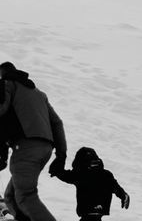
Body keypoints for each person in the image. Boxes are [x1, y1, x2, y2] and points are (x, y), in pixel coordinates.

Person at [0, 61, 68, 221]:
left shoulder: (7, 85)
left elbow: (1, 112)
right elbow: (57, 123)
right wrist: (61, 156)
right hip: (45, 149)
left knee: (25, 197)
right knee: (11, 196)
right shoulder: (39, 94)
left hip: (25, 147)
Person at [51, 147, 130, 220]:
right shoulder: (106, 174)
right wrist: (123, 195)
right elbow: (116, 188)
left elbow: (62, 174)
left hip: (86, 212)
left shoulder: (80, 174)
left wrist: (59, 159)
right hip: (100, 211)